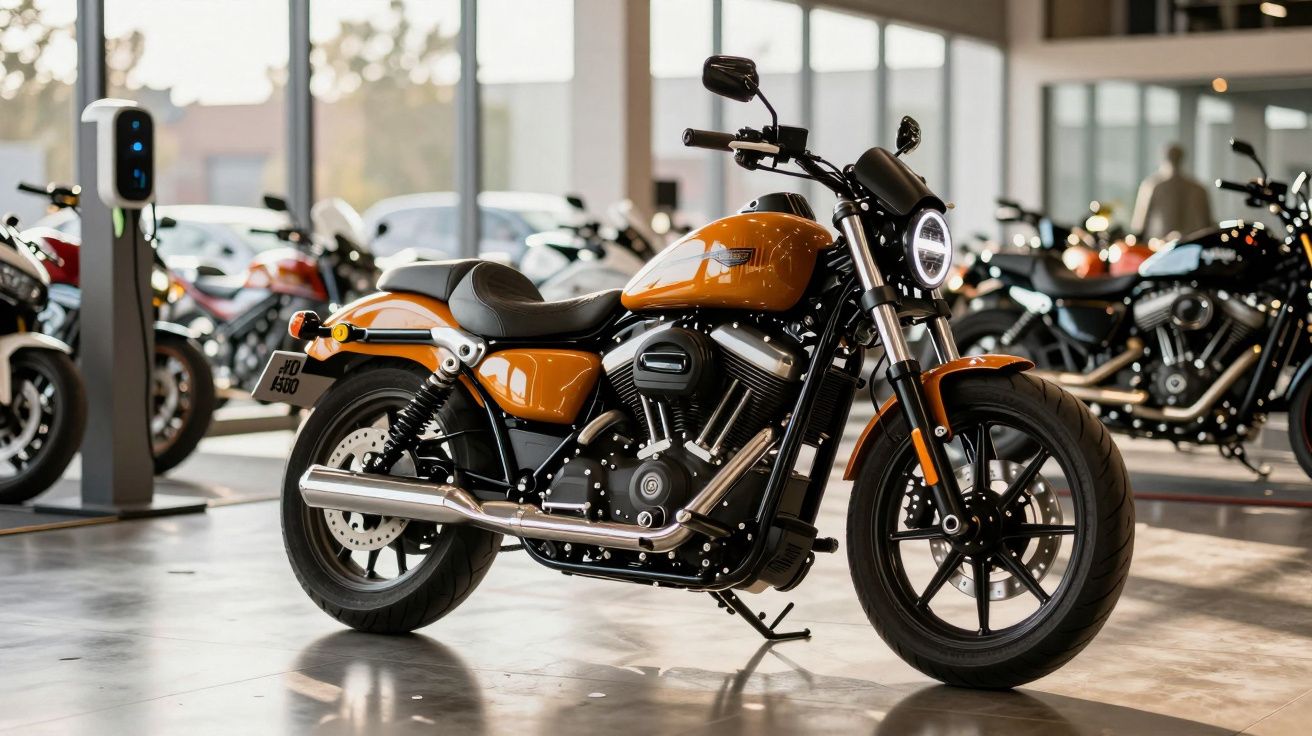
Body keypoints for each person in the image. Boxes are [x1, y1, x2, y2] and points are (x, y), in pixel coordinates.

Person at [1131, 143, 1213, 241]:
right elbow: (1208, 226)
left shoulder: (1151, 186)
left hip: (1159, 247)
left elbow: (1139, 226)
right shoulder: (1199, 189)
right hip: (1190, 246)